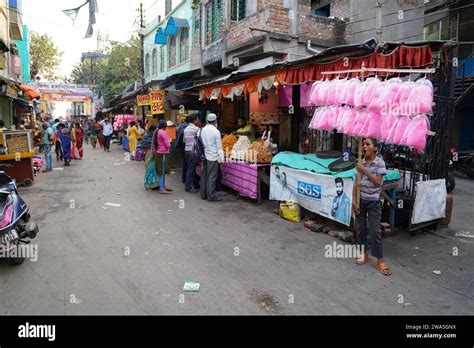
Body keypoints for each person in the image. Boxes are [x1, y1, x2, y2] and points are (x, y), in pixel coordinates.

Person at [353, 138, 391, 276]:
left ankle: (379, 260)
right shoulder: (360, 163)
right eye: (363, 144)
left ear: (375, 148)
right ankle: (364, 254)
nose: (364, 147)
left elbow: (377, 183)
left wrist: (365, 170)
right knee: (360, 229)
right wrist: (354, 202)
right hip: (361, 200)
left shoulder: (379, 163)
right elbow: (355, 183)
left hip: (374, 202)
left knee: (375, 231)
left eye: (368, 144)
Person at [200, 113, 224, 202]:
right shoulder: (216, 131)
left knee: (204, 175)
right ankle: (211, 196)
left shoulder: (202, 130)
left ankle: (204, 194)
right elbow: (219, 147)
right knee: (212, 176)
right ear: (215, 121)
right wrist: (221, 158)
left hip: (204, 155)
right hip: (213, 156)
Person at [154, 120, 172, 194]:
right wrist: (169, 144)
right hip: (163, 153)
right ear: (165, 126)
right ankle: (162, 188)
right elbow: (167, 143)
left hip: (159, 152)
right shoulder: (163, 132)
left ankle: (163, 186)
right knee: (162, 171)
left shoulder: (157, 131)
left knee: (161, 171)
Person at [183, 114, 200, 193]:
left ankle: (195, 185)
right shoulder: (196, 129)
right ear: (194, 120)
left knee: (190, 168)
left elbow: (184, 140)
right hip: (192, 151)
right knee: (191, 169)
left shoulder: (186, 129)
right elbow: (200, 140)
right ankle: (188, 187)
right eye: (197, 119)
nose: (198, 120)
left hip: (186, 150)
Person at [142, 124, 160, 190]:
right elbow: (144, 144)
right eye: (155, 131)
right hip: (149, 153)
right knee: (149, 169)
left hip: (154, 154)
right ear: (152, 130)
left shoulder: (154, 136)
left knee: (154, 169)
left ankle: (154, 184)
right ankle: (148, 184)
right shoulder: (147, 136)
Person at [176, 116, 190, 184]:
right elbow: (182, 133)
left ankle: (184, 178)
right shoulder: (186, 126)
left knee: (185, 163)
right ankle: (185, 178)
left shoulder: (182, 125)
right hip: (184, 146)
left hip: (182, 146)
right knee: (186, 163)